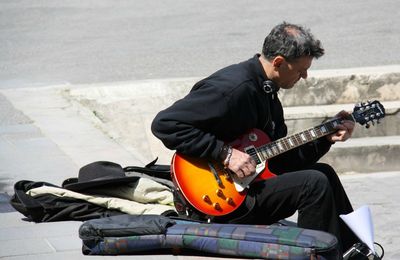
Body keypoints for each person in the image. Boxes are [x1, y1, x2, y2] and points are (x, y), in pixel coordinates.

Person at [151, 21, 360, 254]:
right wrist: (226, 154)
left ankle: (355, 252)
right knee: (314, 183)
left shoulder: (268, 93)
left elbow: (281, 162)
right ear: (279, 62)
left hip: (249, 186)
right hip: (218, 198)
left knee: (323, 174)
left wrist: (324, 137)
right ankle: (315, 255)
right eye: (301, 70)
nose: (305, 77)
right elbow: (165, 124)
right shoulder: (232, 88)